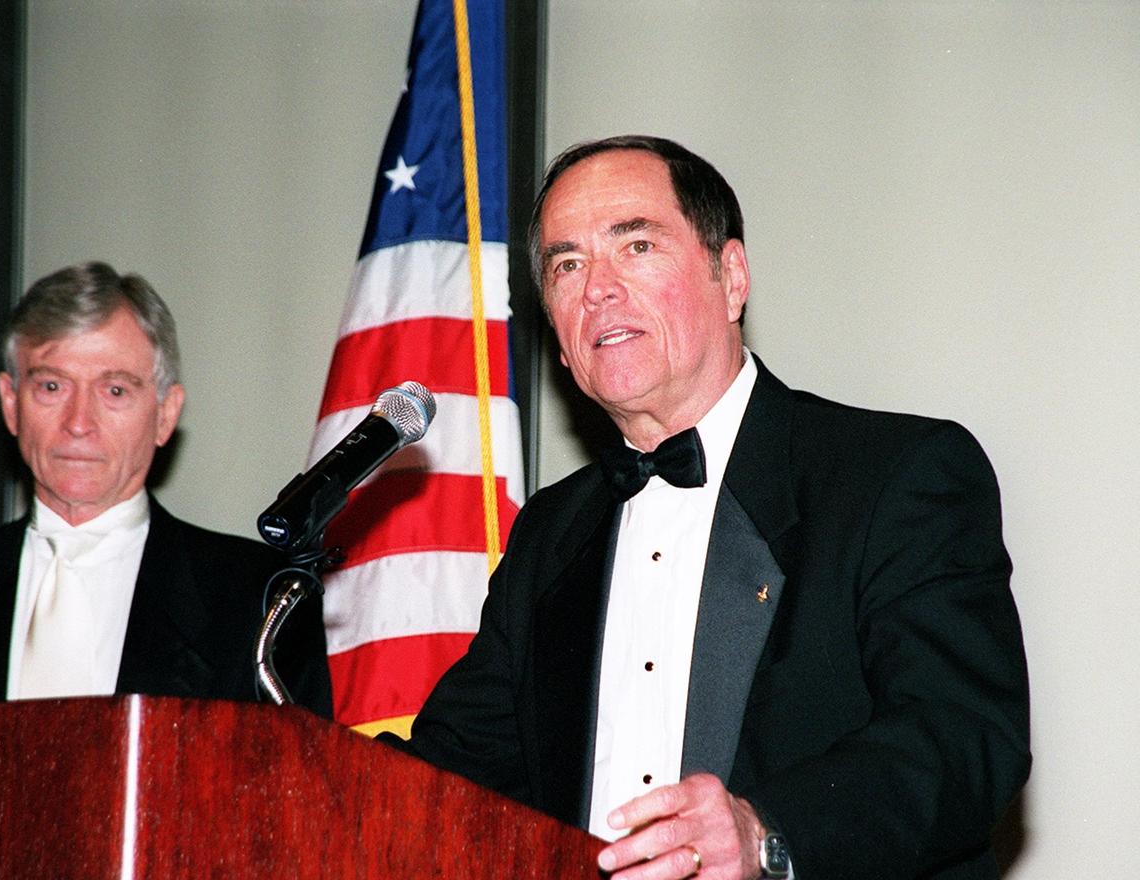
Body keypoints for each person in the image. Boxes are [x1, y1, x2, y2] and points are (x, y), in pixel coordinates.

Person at [389, 137, 1030, 879]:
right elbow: (449, 778)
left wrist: (765, 834)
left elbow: (963, 737)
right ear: (559, 343)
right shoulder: (550, 533)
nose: (597, 288)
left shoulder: (893, 474)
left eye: (636, 246)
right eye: (567, 265)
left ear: (732, 279)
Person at [0, 261, 331, 714]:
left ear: (165, 414)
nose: (78, 423)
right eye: (52, 387)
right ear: (10, 403)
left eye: (115, 390)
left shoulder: (261, 602)